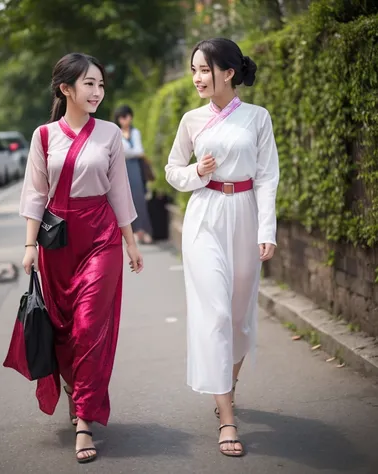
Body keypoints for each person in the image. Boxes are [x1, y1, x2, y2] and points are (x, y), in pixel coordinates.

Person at [20, 53, 144, 464]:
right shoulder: (43, 136)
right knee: (64, 330)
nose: (97, 92)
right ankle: (78, 389)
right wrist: (28, 247)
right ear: (66, 89)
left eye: (101, 85)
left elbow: (119, 190)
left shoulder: (110, 134)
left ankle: (84, 419)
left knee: (90, 326)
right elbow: (36, 194)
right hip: (56, 241)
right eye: (89, 84)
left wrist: (130, 241)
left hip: (101, 236)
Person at [165, 38, 279, 457]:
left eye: (204, 69)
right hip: (205, 217)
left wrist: (267, 228)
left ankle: (225, 386)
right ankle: (227, 417)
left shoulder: (257, 118)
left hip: (246, 216)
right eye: (193, 69)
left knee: (238, 318)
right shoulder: (192, 120)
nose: (196, 77)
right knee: (214, 312)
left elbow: (268, 175)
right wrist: (197, 170)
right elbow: (173, 170)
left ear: (228, 72)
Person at [114, 105, 154, 244]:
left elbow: (138, 150)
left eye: (127, 116)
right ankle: (135, 232)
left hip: (136, 168)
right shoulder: (116, 133)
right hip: (123, 169)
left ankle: (144, 230)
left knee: (140, 199)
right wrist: (132, 152)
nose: (125, 119)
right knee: (126, 201)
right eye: (122, 117)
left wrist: (129, 152)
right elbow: (123, 153)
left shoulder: (135, 132)